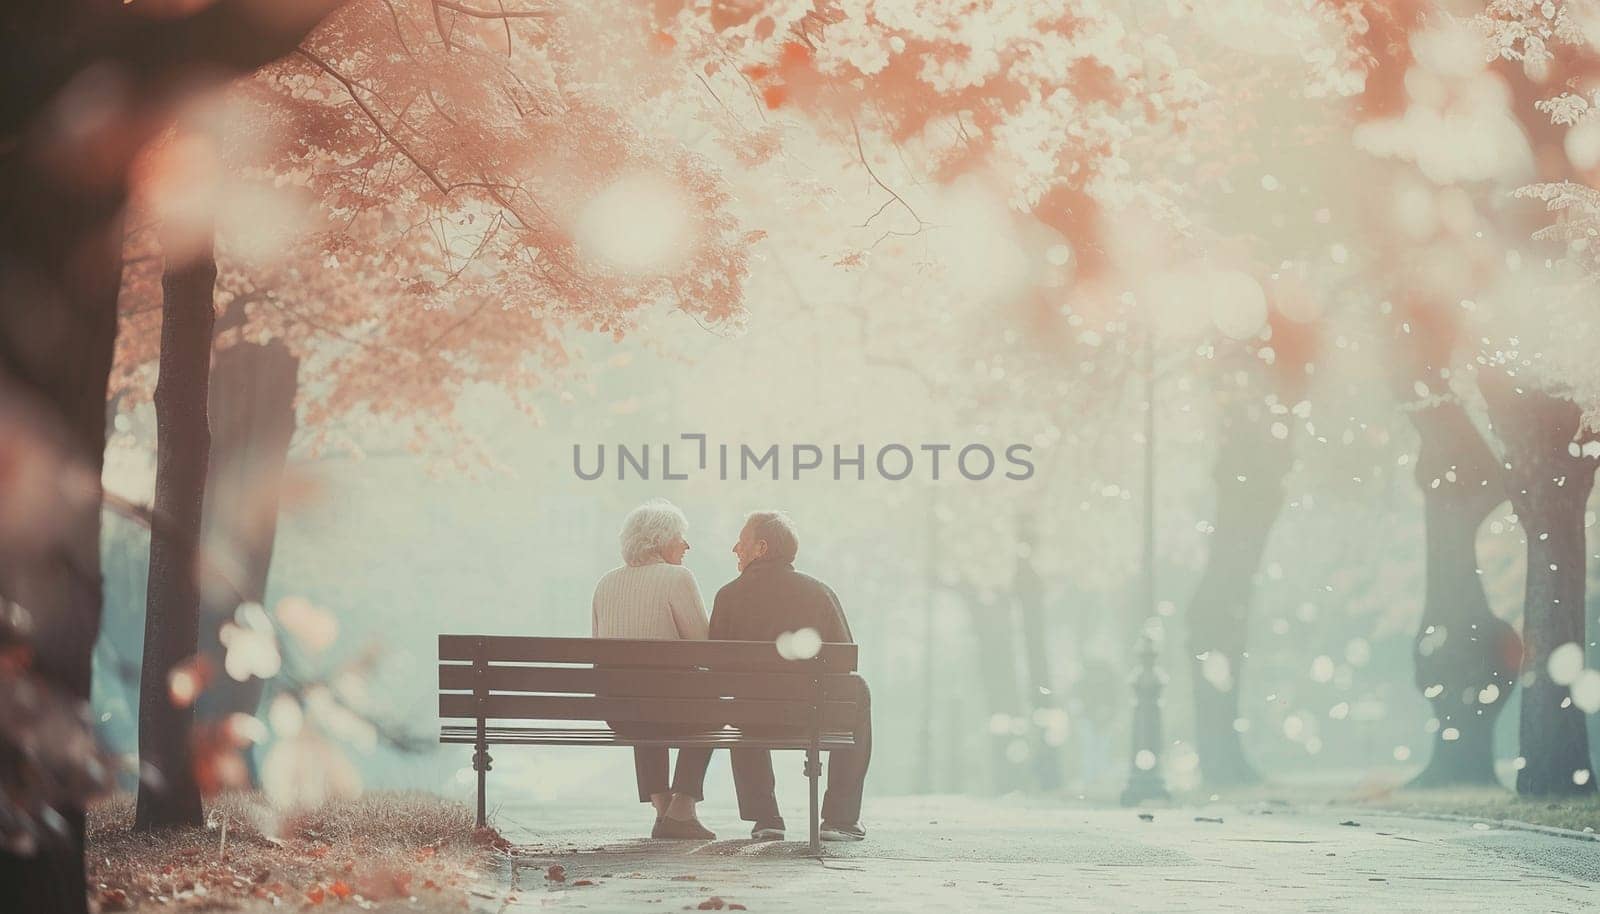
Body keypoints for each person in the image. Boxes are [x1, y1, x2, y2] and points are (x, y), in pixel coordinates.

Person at [709, 510, 871, 842]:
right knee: (859, 693)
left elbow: (716, 669)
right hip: (810, 715)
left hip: (751, 717)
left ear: (761, 548)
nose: (734, 549)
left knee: (741, 700)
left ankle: (766, 818)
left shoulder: (727, 596)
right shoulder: (820, 593)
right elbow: (844, 666)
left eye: (741, 543)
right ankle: (839, 819)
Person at [591, 499, 716, 840]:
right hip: (668, 708)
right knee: (713, 703)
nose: (687, 545)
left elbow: (601, 654)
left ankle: (663, 808)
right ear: (660, 540)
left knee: (637, 691)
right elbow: (705, 647)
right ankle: (683, 806)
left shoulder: (605, 583)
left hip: (619, 711)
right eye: (681, 537)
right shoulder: (678, 578)